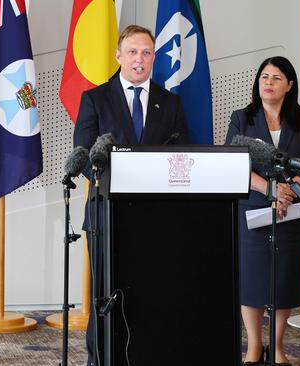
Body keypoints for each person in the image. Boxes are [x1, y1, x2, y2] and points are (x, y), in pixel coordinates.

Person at [72, 24, 189, 366]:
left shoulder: (171, 103)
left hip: (156, 215)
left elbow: (181, 156)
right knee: (105, 290)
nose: (140, 60)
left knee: (152, 290)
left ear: (155, 58)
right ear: (118, 55)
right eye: (133, 52)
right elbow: (82, 154)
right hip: (107, 212)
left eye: (147, 53)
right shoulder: (95, 98)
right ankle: (100, 357)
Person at [225, 56, 300, 365]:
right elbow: (233, 162)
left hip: (292, 212)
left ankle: (277, 347)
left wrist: (290, 192)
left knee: (285, 279)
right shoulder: (242, 118)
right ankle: (254, 347)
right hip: (254, 210)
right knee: (252, 280)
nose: (268, 82)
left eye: (276, 78)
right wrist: (269, 190)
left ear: (290, 85)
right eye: (264, 77)